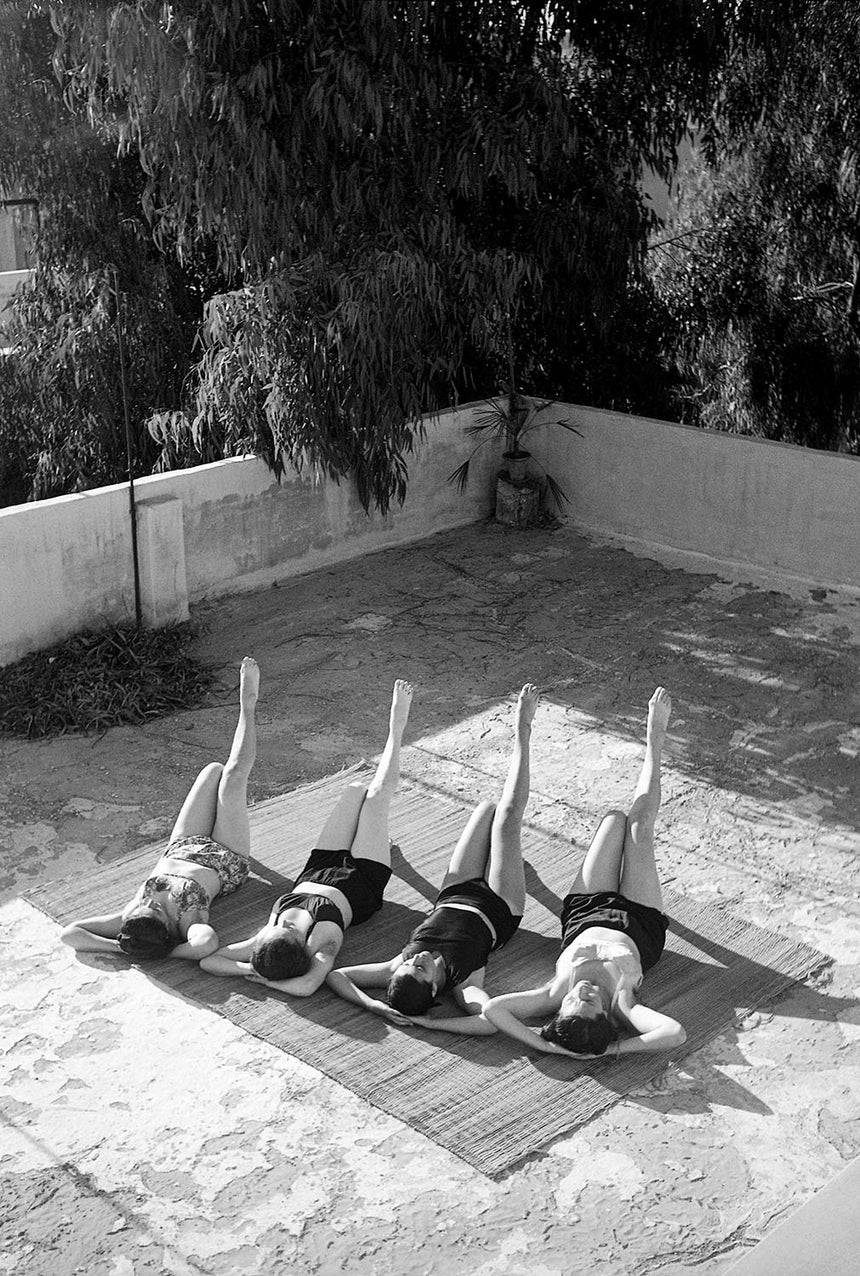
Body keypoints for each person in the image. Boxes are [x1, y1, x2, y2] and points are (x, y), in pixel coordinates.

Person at [482, 686, 686, 1059]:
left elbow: (494, 1010)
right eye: (590, 1003)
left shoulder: (554, 992)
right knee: (638, 827)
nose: (583, 993)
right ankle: (655, 739)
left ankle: (526, 729)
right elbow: (674, 1033)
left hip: (586, 910)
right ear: (605, 1018)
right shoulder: (623, 1006)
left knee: (614, 820)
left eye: (574, 1002)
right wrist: (611, 1050)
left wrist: (547, 1046)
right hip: (640, 921)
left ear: (560, 1009)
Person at [325, 684, 540, 1030]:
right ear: (435, 988)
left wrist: (374, 1006)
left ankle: (510, 859)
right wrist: (432, 1025)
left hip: (454, 893)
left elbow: (337, 976)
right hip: (500, 907)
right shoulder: (464, 985)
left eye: (410, 963)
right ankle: (523, 729)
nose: (418, 958)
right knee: (506, 817)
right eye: (421, 968)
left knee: (486, 809)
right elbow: (489, 1021)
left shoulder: (396, 967)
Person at [199, 679, 414, 996]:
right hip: (363, 880)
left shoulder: (265, 940)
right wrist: (275, 982)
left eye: (274, 931)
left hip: (318, 869)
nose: (283, 925)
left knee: (355, 790)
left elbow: (210, 961)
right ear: (301, 948)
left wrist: (251, 970)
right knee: (375, 799)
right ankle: (397, 726)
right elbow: (308, 985)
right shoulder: (323, 942)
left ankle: (379, 841)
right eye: (289, 932)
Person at [60, 656, 260, 962]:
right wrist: (166, 953)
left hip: (183, 845)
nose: (150, 904)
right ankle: (248, 704)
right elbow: (205, 945)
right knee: (231, 778)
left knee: (213, 770)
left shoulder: (130, 917)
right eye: (156, 911)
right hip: (225, 858)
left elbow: (70, 933)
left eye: (144, 907)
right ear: (166, 930)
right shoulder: (189, 923)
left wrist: (122, 947)